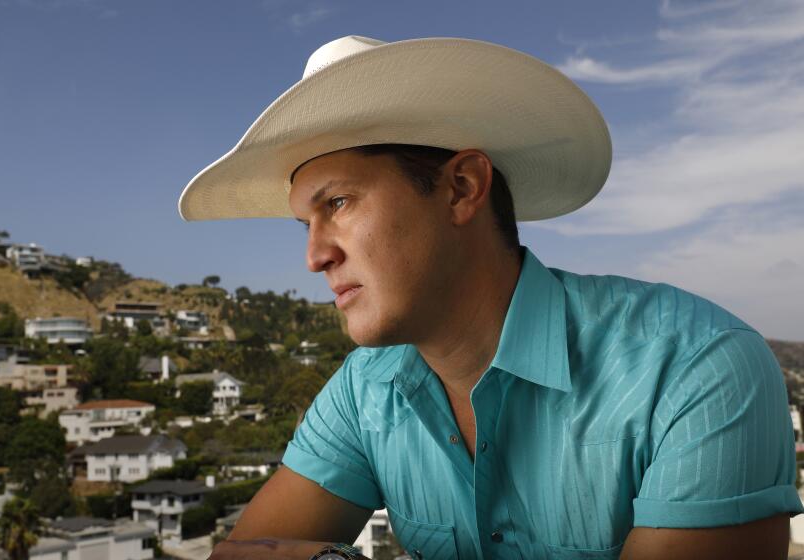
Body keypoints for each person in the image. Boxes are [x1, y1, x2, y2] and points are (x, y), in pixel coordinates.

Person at [180, 36, 803, 560]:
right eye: (305, 226)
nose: (315, 256)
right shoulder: (363, 392)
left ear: (461, 188)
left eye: (337, 205)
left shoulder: (697, 366)